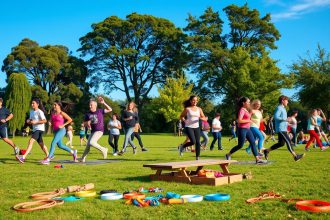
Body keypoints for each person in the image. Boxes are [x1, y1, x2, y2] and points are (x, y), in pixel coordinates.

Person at [263, 96, 305, 161]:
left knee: (281, 143)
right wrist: (285, 119)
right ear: (282, 100)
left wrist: (287, 122)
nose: (287, 102)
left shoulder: (283, 108)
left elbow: (284, 120)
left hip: (283, 128)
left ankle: (267, 150)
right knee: (288, 141)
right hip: (280, 129)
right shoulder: (279, 108)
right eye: (286, 100)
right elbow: (276, 117)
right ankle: (295, 156)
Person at [225, 97, 266, 164]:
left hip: (248, 129)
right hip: (242, 129)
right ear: (243, 103)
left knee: (253, 143)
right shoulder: (242, 110)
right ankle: (228, 154)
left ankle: (257, 159)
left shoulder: (246, 110)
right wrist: (249, 120)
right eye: (248, 102)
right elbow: (239, 120)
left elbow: (248, 117)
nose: (249, 103)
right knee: (240, 145)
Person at [79, 97, 112, 162]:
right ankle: (82, 158)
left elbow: (110, 109)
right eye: (89, 105)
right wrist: (87, 123)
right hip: (92, 131)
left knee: (92, 142)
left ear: (95, 105)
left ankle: (104, 149)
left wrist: (104, 103)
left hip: (99, 131)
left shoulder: (100, 111)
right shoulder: (88, 114)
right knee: (88, 146)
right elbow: (84, 124)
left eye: (91, 105)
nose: (90, 106)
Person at [18, 98, 49, 163]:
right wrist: (28, 121)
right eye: (31, 103)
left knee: (31, 141)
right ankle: (49, 156)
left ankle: (23, 157)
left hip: (40, 129)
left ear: (37, 104)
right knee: (41, 144)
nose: (32, 104)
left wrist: (36, 122)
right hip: (35, 129)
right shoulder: (31, 111)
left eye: (33, 103)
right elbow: (31, 120)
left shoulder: (40, 112)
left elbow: (45, 120)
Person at [178, 95, 207, 160]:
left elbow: (204, 118)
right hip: (189, 127)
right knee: (193, 141)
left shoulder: (199, 109)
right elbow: (181, 116)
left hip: (196, 127)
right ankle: (182, 146)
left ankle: (197, 158)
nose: (195, 101)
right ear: (190, 101)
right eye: (193, 100)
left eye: (196, 100)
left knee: (198, 142)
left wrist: (201, 118)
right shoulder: (187, 109)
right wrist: (184, 121)